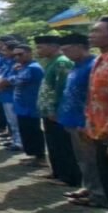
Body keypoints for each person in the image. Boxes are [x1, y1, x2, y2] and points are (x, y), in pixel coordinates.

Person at [35, 36, 76, 185]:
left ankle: (68, 176)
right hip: (48, 112)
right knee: (53, 143)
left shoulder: (62, 62)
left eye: (41, 47)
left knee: (62, 144)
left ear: (53, 46)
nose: (37, 50)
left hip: (57, 113)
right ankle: (57, 172)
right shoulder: (50, 62)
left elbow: (62, 88)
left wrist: (56, 109)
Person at [60, 34, 94, 205]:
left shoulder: (93, 65)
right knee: (82, 159)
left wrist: (86, 120)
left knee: (93, 160)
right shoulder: (76, 66)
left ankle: (98, 195)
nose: (65, 54)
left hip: (85, 121)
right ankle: (87, 187)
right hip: (72, 119)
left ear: (79, 46)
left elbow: (93, 96)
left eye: (67, 50)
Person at [84, 17, 108, 213]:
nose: (91, 35)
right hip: (98, 129)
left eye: (96, 31)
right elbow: (93, 96)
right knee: (107, 178)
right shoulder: (100, 59)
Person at [6, 43, 46, 165]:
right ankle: (34, 155)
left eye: (20, 54)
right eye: (15, 55)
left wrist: (13, 74)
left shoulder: (33, 68)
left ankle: (40, 157)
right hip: (21, 106)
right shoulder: (23, 67)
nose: (17, 57)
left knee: (33, 132)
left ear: (29, 53)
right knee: (26, 132)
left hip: (30, 106)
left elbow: (16, 80)